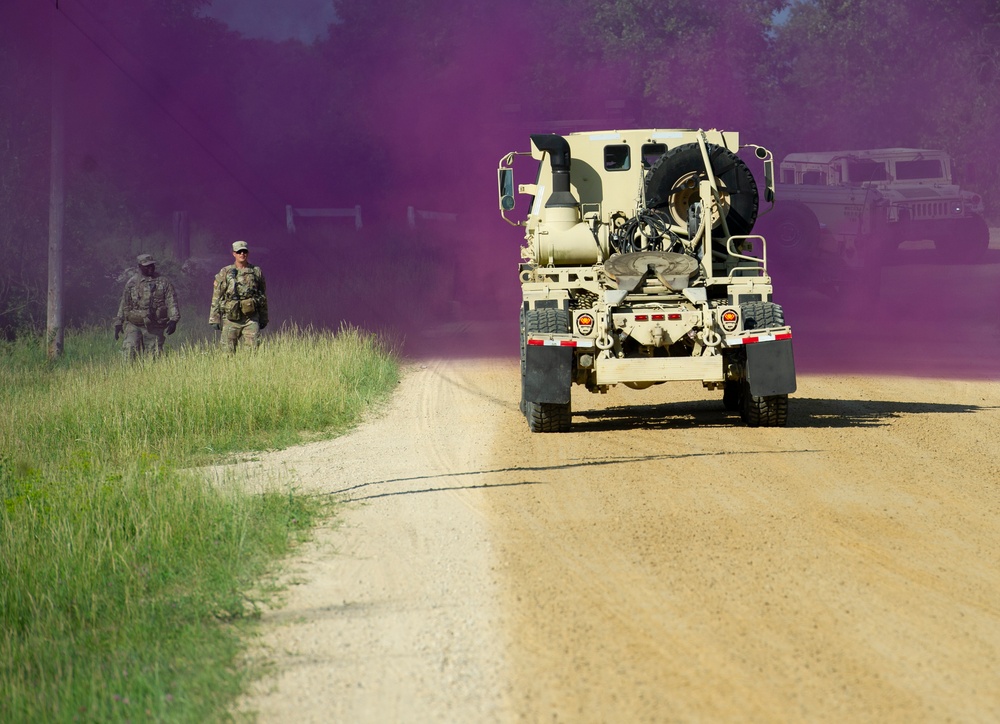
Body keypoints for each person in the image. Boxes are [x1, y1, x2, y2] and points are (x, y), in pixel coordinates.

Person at [113, 253, 180, 360]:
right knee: (129, 352)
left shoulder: (163, 282)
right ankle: (129, 375)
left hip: (154, 325)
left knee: (153, 356)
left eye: (152, 265)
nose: (150, 268)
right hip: (134, 324)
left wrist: (173, 320)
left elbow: (171, 301)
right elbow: (124, 303)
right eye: (146, 266)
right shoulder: (132, 283)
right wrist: (118, 322)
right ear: (140, 267)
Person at [208, 240, 268, 352]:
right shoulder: (226, 272)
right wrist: (214, 318)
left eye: (244, 251)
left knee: (253, 351)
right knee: (227, 353)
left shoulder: (256, 271)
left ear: (248, 253)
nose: (242, 254)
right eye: (239, 252)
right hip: (231, 318)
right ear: (234, 253)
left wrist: (264, 317)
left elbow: (262, 296)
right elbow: (217, 295)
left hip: (251, 317)